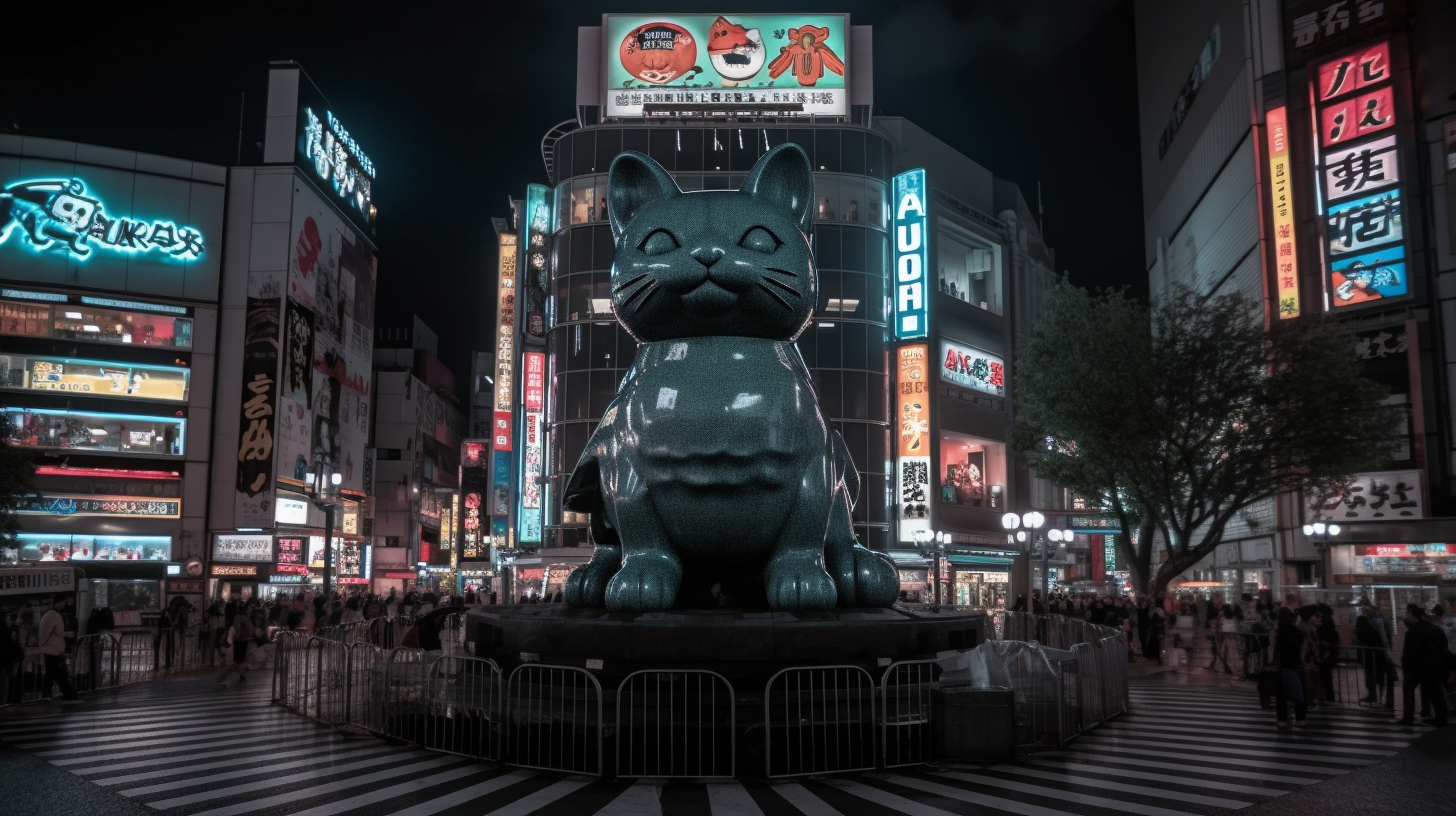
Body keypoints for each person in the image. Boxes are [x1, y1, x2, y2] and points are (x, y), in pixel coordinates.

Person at [1397, 604, 1450, 727]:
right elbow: (1444, 648)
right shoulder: (1436, 629)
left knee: (1409, 688)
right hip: (1434, 664)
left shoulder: (1412, 632)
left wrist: (1405, 666)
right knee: (1435, 691)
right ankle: (1441, 717)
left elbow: (1408, 651)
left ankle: (1408, 717)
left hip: (1417, 665)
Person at [1270, 607, 1310, 727]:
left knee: (1281, 693)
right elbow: (1303, 650)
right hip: (1296, 664)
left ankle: (1282, 719)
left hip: (1283, 664)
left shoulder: (1277, 633)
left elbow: (1273, 648)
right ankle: (1300, 718)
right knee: (1299, 692)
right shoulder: (1298, 633)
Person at [38, 594, 81, 704]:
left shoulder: (51, 614)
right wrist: (66, 634)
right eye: (63, 602)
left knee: (53, 673)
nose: (64, 604)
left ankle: (51, 694)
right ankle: (68, 694)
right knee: (57, 674)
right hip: (52, 649)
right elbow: (56, 631)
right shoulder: (54, 615)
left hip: (51, 649)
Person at [1355, 605, 1395, 706]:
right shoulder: (1371, 621)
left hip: (1377, 653)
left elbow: (1383, 638)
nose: (1367, 612)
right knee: (1375, 675)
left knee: (1377, 675)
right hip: (1376, 653)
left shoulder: (1377, 622)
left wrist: (1387, 653)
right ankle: (1376, 695)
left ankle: (1377, 695)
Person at [216, 608, 256, 686]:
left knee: (235, 664)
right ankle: (241, 676)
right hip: (244, 644)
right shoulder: (246, 626)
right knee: (240, 663)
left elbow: (229, 640)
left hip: (236, 645)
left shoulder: (234, 628)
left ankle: (223, 678)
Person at [0, 620, 24, 705]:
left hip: (4, 667)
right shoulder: (8, 641)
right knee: (4, 690)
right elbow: (19, 655)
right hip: (5, 667)